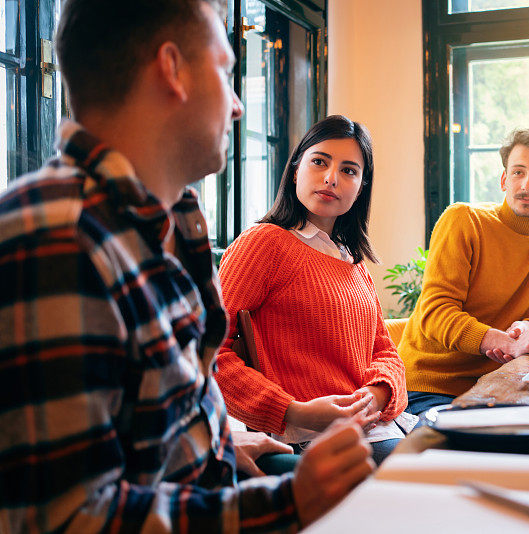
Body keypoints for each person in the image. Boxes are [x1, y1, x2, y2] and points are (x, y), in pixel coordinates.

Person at [0, 1, 374, 532]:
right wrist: (290, 503)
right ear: (171, 69)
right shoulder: (56, 240)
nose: (239, 105)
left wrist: (216, 440)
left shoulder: (165, 224)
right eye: (225, 71)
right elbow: (66, 519)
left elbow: (144, 425)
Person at [215, 115, 415, 465]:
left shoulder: (353, 262)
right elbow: (210, 354)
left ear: (361, 188)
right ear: (296, 171)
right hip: (308, 438)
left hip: (377, 428)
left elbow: (385, 352)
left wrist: (379, 394)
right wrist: (292, 411)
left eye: (349, 171)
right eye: (319, 161)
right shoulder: (263, 244)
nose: (331, 178)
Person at [399, 126, 529, 414]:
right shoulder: (463, 221)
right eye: (518, 172)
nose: (527, 185)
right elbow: (435, 313)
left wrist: (528, 327)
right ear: (504, 180)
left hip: (506, 380)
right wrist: (505, 343)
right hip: (430, 386)